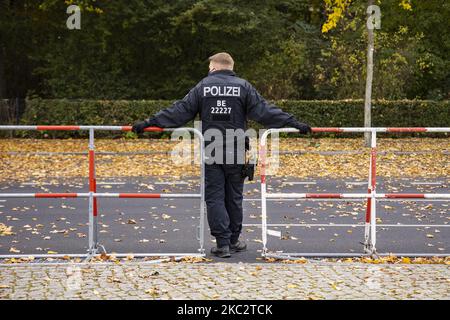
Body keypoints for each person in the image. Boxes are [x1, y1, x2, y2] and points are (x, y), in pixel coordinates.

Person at [132, 52, 311, 258]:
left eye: (210, 67)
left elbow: (179, 111)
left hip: (211, 151)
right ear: (231, 67)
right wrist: (293, 123)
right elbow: (265, 112)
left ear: (215, 67)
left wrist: (148, 123)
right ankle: (234, 241)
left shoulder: (203, 86)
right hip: (236, 152)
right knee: (234, 197)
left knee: (215, 197)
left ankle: (223, 244)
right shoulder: (244, 87)